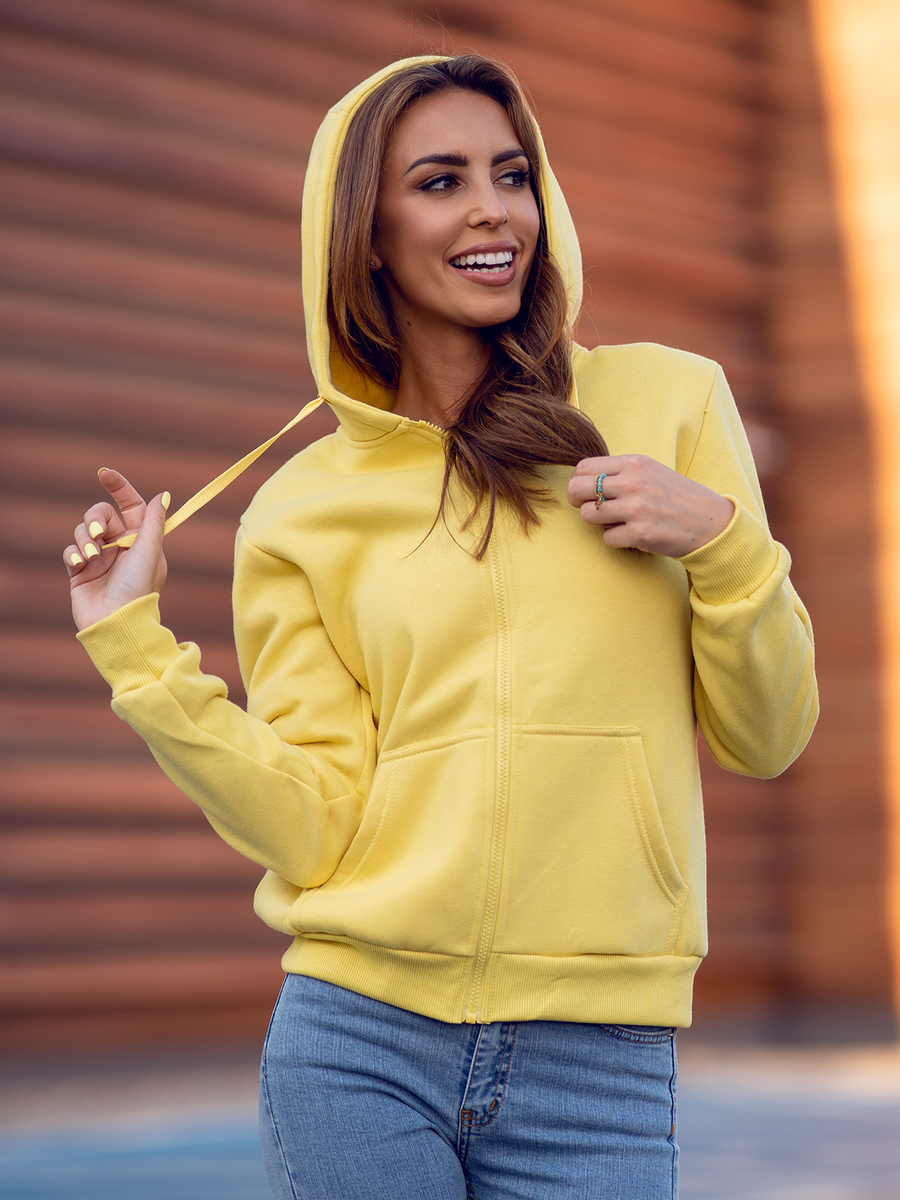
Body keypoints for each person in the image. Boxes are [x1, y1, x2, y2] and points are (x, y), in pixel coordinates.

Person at [64, 53, 817, 1200]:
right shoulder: (301, 511)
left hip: (599, 1064)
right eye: (440, 182)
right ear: (365, 233)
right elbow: (317, 827)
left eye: (512, 176)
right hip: (360, 1046)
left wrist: (721, 542)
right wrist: (133, 647)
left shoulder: (670, 404)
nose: (491, 210)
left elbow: (770, 736)